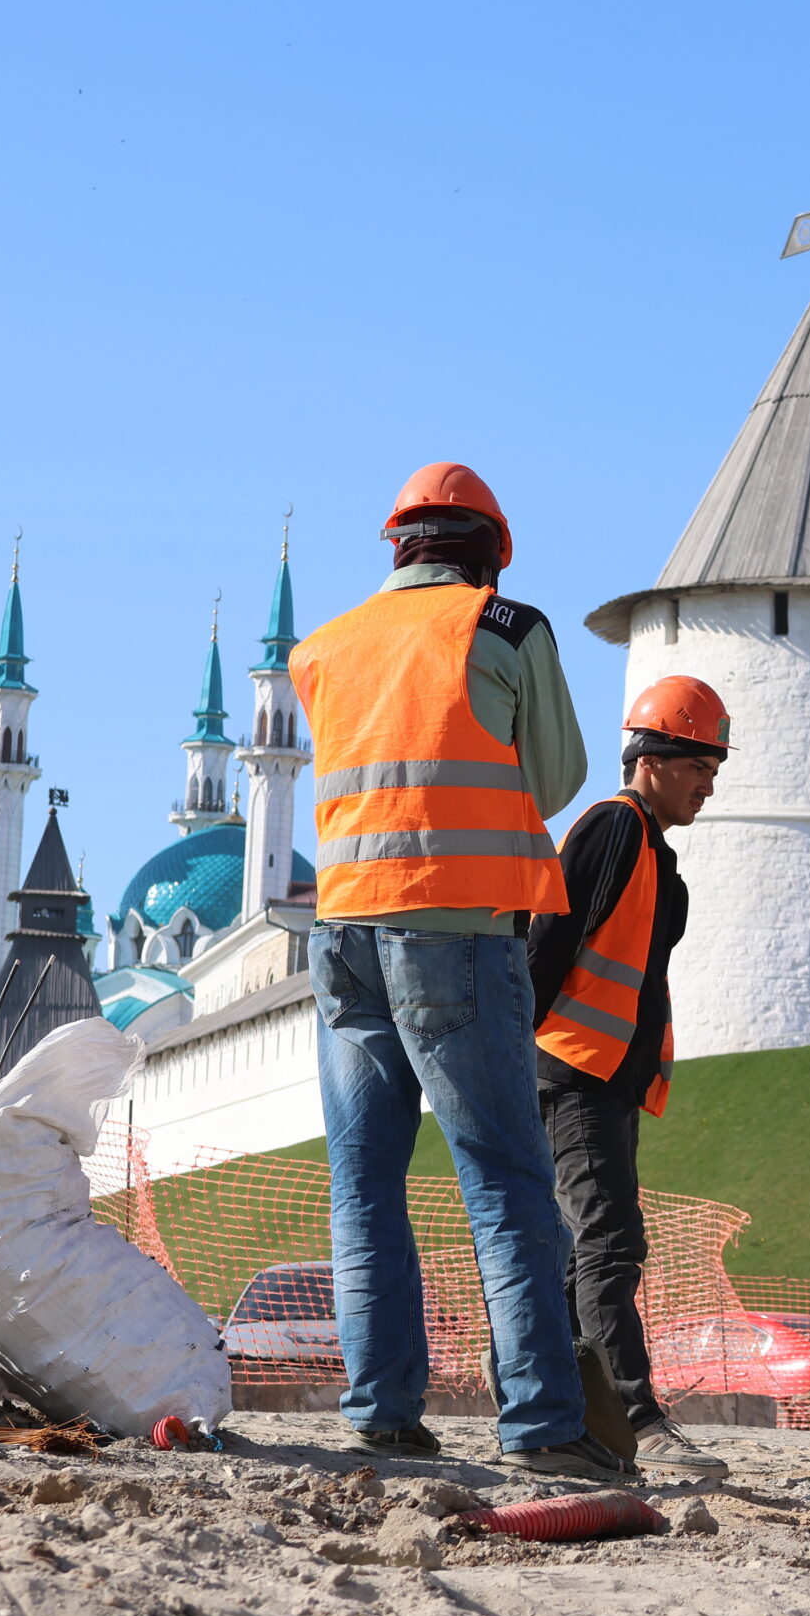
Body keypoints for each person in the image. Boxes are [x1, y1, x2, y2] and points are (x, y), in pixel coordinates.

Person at [289, 461, 632, 1481]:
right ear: (489, 552)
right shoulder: (506, 625)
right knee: (506, 1180)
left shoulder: (324, 646)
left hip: (341, 935)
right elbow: (559, 777)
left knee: (363, 1187)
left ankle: (381, 1411)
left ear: (398, 545)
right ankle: (539, 1423)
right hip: (455, 933)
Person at [528, 676, 733, 1478]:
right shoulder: (614, 830)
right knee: (609, 1239)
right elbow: (548, 943)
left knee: (585, 1245)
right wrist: (523, 1051)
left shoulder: (650, 847)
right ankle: (637, 1419)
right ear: (651, 759)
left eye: (714, 769)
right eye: (698, 766)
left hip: (602, 1077)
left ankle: (560, 1391)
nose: (709, 784)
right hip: (576, 1070)